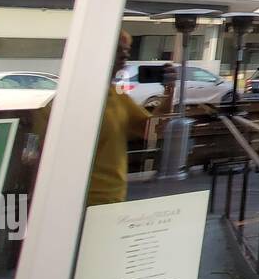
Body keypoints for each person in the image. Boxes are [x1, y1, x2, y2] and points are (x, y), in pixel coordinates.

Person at [33, 30, 166, 205]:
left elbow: (152, 131)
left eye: (127, 49)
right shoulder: (68, 101)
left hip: (111, 197)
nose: (124, 54)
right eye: (118, 49)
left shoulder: (118, 98)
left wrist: (169, 93)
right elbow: (41, 158)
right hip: (75, 201)